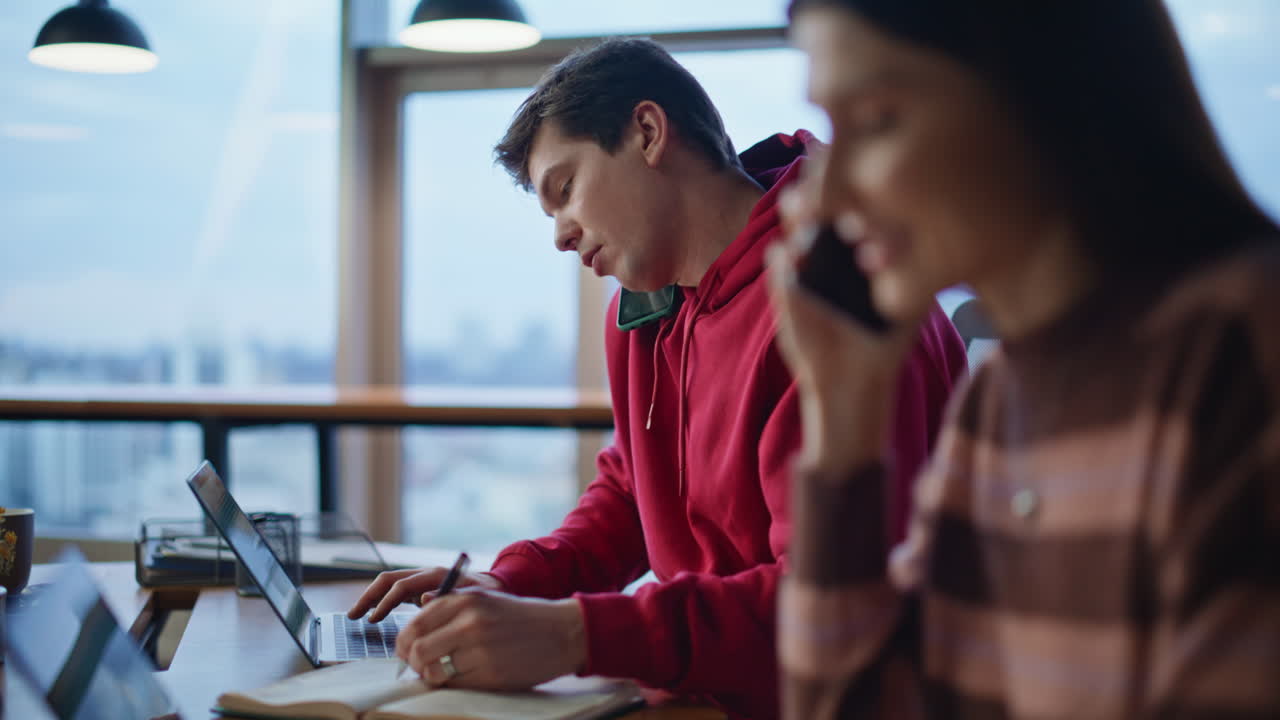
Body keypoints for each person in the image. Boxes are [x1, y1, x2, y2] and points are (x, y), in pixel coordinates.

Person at [348, 37, 967, 719]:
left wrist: (578, 634)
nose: (560, 235)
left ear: (647, 132)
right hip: (702, 697)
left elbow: (833, 601)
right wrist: (510, 583)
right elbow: (632, 494)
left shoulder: (837, 297)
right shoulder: (641, 315)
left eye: (566, 190)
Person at [769, 1, 1280, 718]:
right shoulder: (994, 401)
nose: (827, 193)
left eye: (877, 120)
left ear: (1045, 87)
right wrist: (842, 417)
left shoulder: (1241, 350)